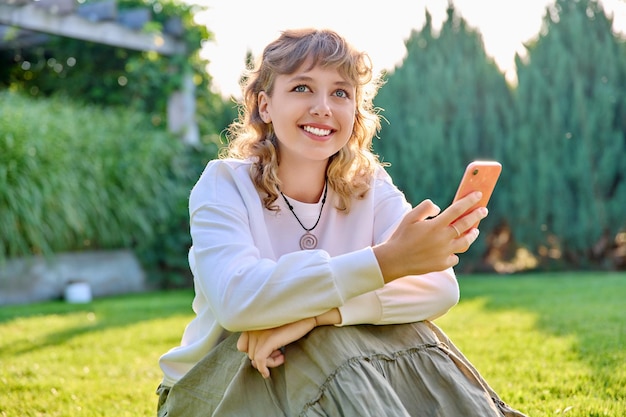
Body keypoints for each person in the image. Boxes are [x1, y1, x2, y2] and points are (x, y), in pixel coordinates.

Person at [156, 28, 527, 417]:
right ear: (265, 106)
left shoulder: (370, 185)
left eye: (340, 93)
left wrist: (319, 316)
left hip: (307, 374)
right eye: (302, 88)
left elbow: (438, 287)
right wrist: (386, 263)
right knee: (324, 343)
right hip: (210, 389)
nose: (323, 107)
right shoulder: (224, 183)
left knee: (406, 331)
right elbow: (238, 301)